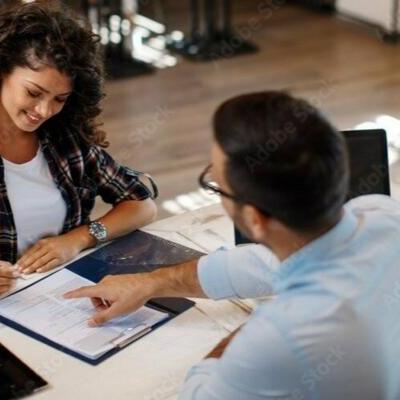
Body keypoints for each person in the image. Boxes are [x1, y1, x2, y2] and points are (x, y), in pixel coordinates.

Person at [65, 91, 400, 399]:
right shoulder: (382, 213)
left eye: (217, 186)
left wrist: (246, 334)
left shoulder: (278, 338)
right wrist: (149, 282)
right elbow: (260, 264)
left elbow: (198, 394)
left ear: (254, 219)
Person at [0, 1, 157, 295]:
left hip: (63, 297)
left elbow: (141, 205)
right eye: (34, 92)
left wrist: (79, 239)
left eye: (59, 99)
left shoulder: (65, 142)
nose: (44, 111)